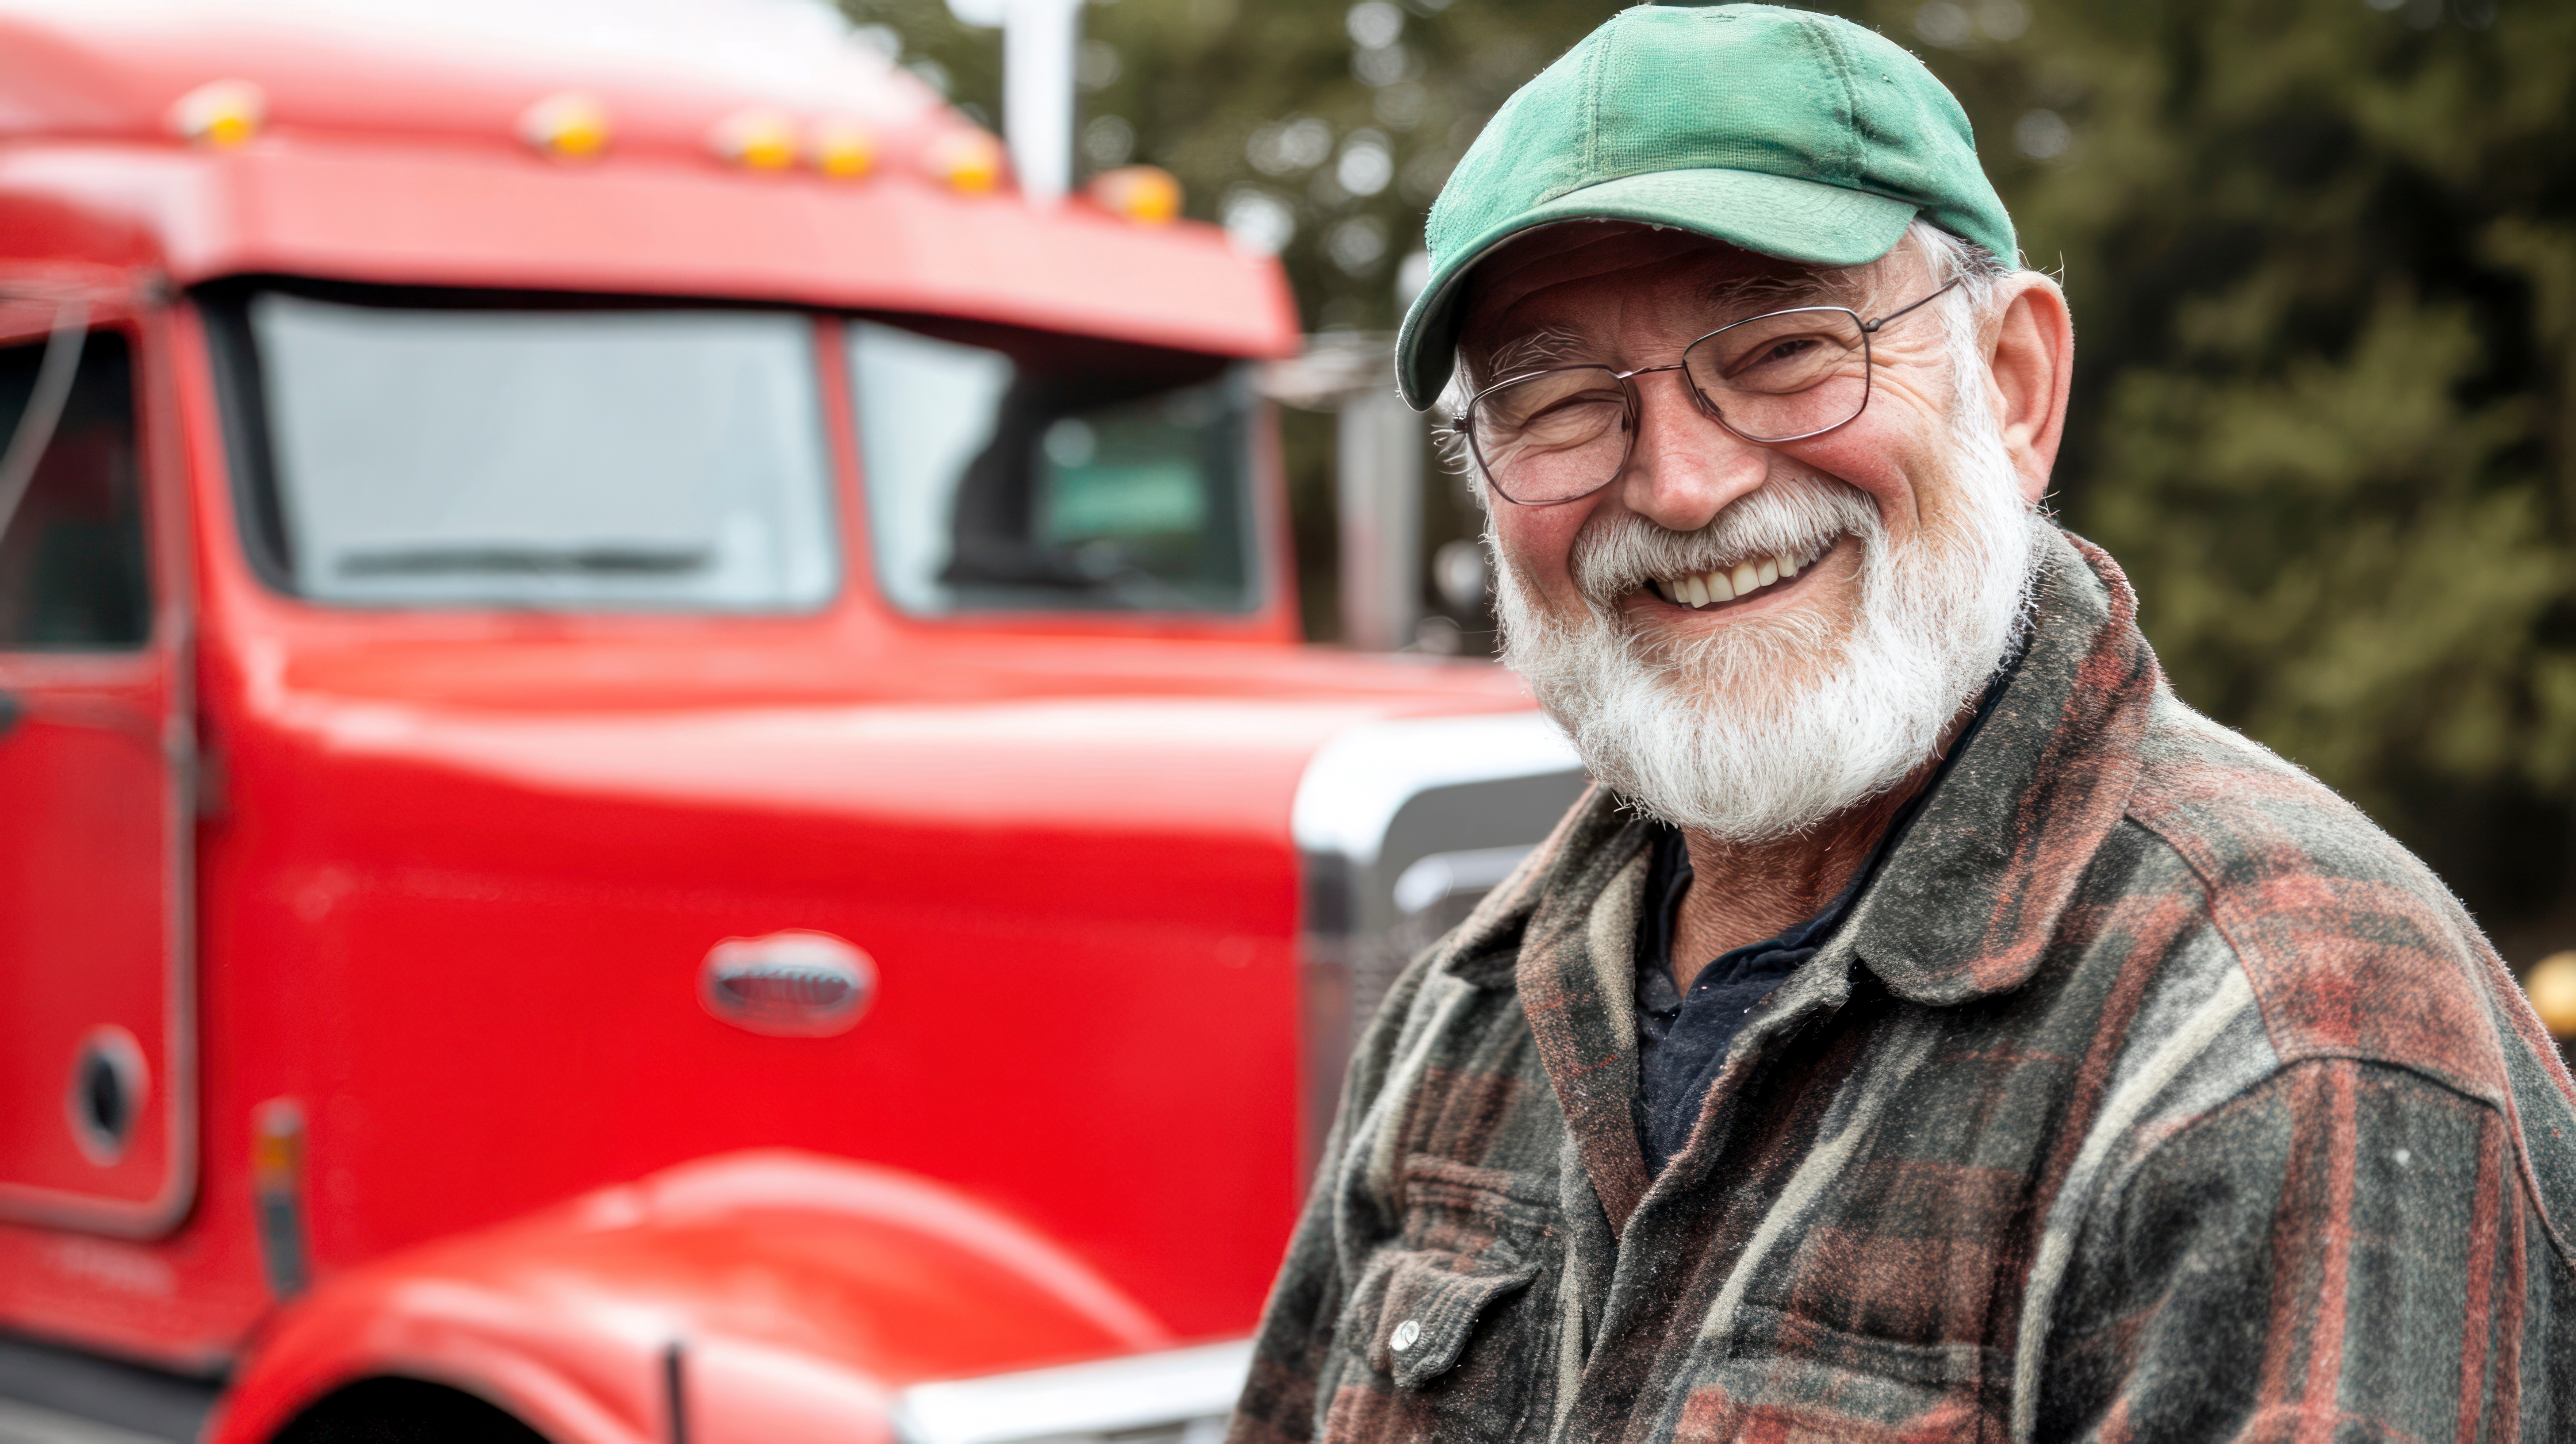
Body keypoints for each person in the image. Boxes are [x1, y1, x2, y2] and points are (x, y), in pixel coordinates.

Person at [1227, 5, 2576, 1440]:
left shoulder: (2295, 1040)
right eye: (1555, 401)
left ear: (2012, 386)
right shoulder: (1461, 1017)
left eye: (1786, 351)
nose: (1681, 485)